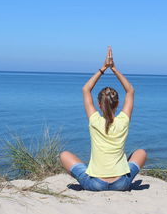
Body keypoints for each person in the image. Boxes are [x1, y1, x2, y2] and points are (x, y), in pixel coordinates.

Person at [60, 46, 147, 191]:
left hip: (96, 184)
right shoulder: (123, 121)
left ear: (99, 104)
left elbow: (86, 89)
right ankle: (116, 172)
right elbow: (130, 90)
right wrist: (114, 69)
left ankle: (93, 172)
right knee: (141, 153)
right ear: (118, 104)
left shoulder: (94, 120)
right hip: (121, 184)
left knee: (64, 155)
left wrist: (103, 68)